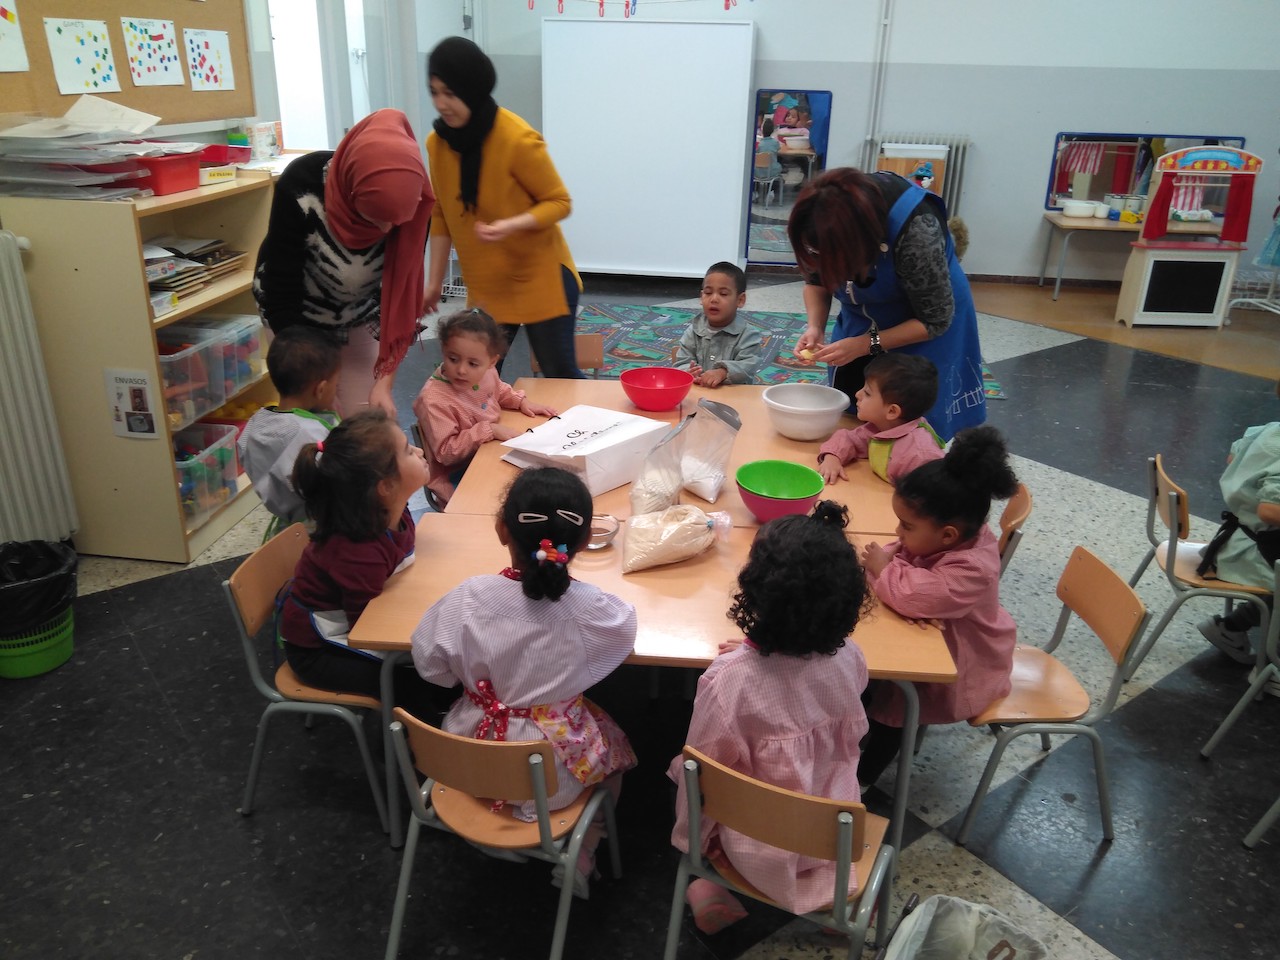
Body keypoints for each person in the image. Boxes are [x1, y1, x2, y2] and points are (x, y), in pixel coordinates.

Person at [411, 467, 637, 899]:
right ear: (584, 542)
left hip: (465, 761)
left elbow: (431, 668)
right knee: (617, 757)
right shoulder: (588, 609)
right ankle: (585, 848)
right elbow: (623, 633)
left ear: (502, 529)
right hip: (551, 779)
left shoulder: (468, 597)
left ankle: (484, 833)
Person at [669, 500, 873, 934]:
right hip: (832, 835)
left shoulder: (728, 683)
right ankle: (836, 901)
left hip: (753, 843)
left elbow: (699, 771)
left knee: (684, 772)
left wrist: (691, 842)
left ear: (755, 591)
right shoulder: (852, 659)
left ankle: (707, 884)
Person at [855, 425, 1020, 789]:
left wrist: (886, 571)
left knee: (895, 711)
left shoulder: (974, 567)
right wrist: (891, 571)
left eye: (906, 525)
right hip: (937, 638)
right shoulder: (948, 535)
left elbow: (913, 595)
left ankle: (862, 782)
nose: (897, 533)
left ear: (947, 534)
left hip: (963, 661)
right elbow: (903, 564)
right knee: (865, 675)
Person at [253, 108, 435, 418]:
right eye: (373, 217)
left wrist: (384, 384)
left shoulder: (413, 203)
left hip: (358, 314)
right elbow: (280, 292)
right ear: (353, 193)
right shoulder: (302, 186)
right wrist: (317, 384)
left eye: (395, 221)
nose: (386, 230)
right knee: (312, 421)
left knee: (364, 419)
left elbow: (399, 302)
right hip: (295, 318)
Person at [422, 37, 585, 379]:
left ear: (472, 89)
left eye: (450, 93)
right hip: (488, 285)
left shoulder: (516, 139)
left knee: (559, 375)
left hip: (540, 276)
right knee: (475, 378)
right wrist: (434, 282)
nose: (440, 103)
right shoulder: (437, 145)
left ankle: (593, 415)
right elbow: (441, 214)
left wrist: (511, 224)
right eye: (434, 92)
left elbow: (559, 202)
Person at [788, 167, 987, 442]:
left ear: (862, 245)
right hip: (863, 319)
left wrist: (864, 344)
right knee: (858, 405)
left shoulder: (916, 229)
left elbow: (934, 320)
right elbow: (815, 282)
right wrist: (815, 326)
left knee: (909, 422)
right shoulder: (821, 224)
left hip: (923, 321)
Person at [281, 409, 447, 718]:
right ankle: (414, 743)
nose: (419, 451)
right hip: (317, 651)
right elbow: (370, 630)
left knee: (441, 668)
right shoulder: (356, 552)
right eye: (408, 451)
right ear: (385, 487)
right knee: (409, 684)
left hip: (361, 616)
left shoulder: (391, 511)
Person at [412, 308, 558, 506]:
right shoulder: (434, 400)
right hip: (459, 477)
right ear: (443, 350)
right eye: (453, 359)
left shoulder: (487, 372)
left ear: (492, 362)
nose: (461, 370)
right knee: (522, 499)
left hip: (490, 454)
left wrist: (520, 401)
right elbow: (446, 453)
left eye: (472, 364)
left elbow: (498, 389)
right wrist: (489, 430)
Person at [1196, 382, 1280, 668]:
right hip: (1256, 555)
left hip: (1236, 540)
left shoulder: (1268, 430)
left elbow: (1232, 459)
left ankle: (1231, 627)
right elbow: (1270, 511)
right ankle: (1272, 669)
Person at [237, 326, 341, 537]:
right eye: (336, 385)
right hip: (326, 532)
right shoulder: (312, 435)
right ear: (320, 389)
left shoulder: (256, 425)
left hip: (285, 533)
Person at [816, 353, 944, 486]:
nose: (857, 394)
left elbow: (932, 494)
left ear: (892, 411)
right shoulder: (881, 426)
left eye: (867, 393)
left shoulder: (920, 457)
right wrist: (832, 458)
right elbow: (848, 438)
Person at [671, 262, 763, 388]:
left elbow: (749, 365)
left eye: (723, 294)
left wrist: (723, 372)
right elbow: (681, 362)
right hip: (699, 391)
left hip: (734, 394)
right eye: (708, 293)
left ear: (740, 300)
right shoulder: (693, 330)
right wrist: (689, 372)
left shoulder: (748, 335)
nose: (714, 299)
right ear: (701, 297)